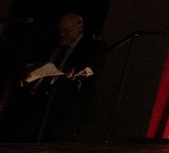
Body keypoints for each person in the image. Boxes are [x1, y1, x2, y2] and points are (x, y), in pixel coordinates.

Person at [12, 11, 107, 141]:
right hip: (39, 100)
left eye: (67, 30)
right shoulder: (52, 44)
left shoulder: (93, 46)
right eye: (59, 30)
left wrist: (81, 71)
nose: (62, 34)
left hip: (66, 105)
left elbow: (94, 65)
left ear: (79, 27)